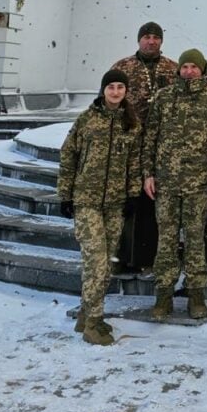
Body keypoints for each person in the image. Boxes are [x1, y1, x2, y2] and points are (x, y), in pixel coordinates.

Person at [143, 49, 207, 320]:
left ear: (203, 70)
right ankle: (163, 296)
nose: (189, 71)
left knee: (194, 240)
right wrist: (148, 173)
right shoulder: (164, 97)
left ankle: (196, 295)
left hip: (197, 183)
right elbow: (150, 138)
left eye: (194, 67)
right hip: (166, 183)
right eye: (185, 66)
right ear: (179, 70)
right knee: (166, 241)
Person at [57, 70, 142, 346]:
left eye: (120, 87)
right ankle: (93, 323)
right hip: (87, 201)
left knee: (106, 265)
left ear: (125, 91)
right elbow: (68, 155)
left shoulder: (131, 124)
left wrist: (132, 195)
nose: (116, 92)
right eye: (111, 87)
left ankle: (86, 313)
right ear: (103, 90)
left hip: (115, 204)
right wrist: (65, 195)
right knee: (95, 261)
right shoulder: (87, 120)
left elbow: (134, 163)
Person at [111, 22, 178, 270]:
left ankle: (148, 256)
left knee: (153, 200)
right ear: (139, 40)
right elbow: (108, 102)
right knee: (127, 199)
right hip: (129, 143)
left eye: (156, 38)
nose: (151, 42)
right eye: (147, 37)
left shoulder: (173, 68)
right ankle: (122, 256)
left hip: (161, 144)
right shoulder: (123, 67)